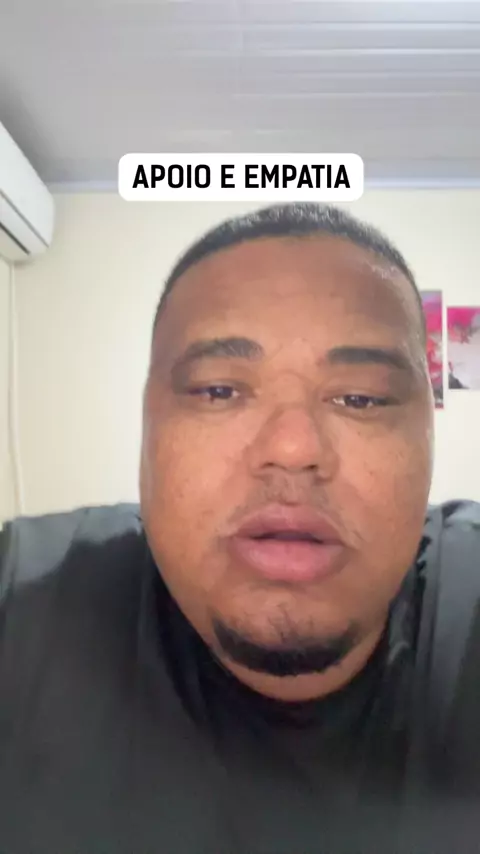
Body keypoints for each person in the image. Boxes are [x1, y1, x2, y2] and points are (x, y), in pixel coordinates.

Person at [0, 202, 479, 854]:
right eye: (219, 391)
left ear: (427, 434)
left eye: (360, 397)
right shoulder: (24, 605)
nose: (292, 447)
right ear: (146, 425)